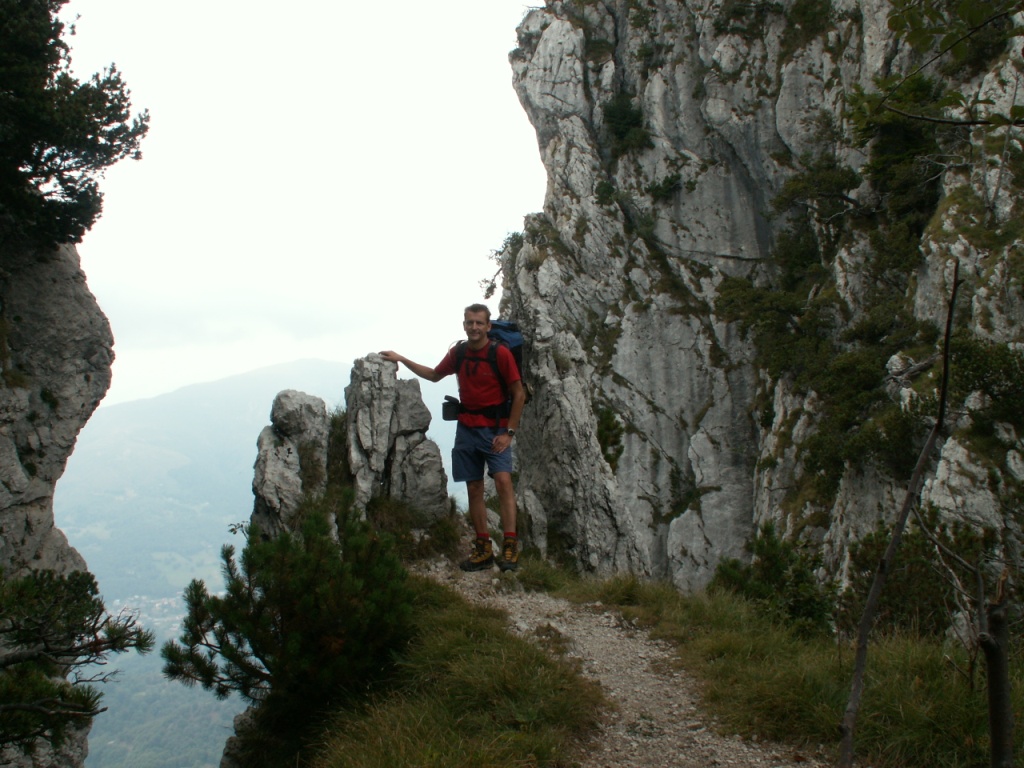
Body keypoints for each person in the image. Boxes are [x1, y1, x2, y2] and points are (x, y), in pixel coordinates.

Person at [380, 304, 526, 572]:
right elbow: (434, 375)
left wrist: (509, 433)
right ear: (464, 325)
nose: (474, 327)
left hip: (495, 430)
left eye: (479, 323)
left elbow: (519, 393)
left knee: (504, 482)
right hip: (467, 429)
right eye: (470, 322)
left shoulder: (500, 354)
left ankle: (510, 545)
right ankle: (483, 548)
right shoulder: (458, 353)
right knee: (474, 487)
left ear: (488, 326)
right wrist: (402, 359)